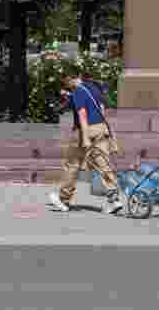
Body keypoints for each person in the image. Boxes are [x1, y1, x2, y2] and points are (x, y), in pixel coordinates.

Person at [47, 74, 124, 215]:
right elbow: (101, 109)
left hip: (85, 131)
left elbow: (82, 114)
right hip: (101, 128)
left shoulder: (78, 91)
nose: (67, 86)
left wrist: (86, 137)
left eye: (67, 83)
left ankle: (63, 199)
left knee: (72, 164)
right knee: (103, 164)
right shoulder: (94, 88)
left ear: (73, 78)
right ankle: (114, 200)